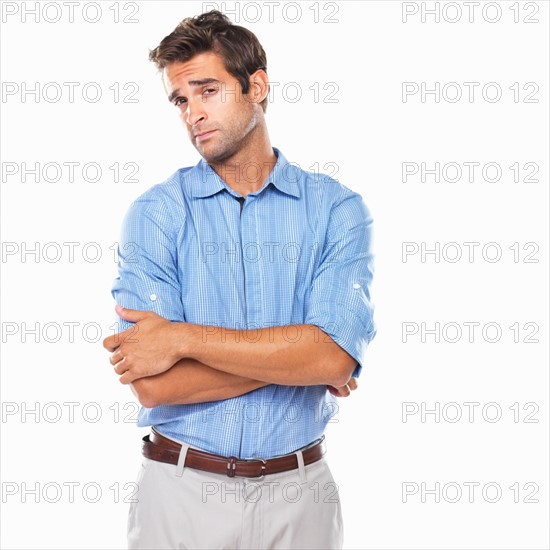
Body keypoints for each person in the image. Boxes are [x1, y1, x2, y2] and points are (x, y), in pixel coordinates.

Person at [102, 10, 376, 550]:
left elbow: (334, 360)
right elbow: (154, 385)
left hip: (302, 498)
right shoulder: (156, 215)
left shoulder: (337, 210)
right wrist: (300, 359)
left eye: (208, 90)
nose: (193, 113)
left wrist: (182, 339)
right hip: (179, 494)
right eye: (181, 99)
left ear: (257, 85)